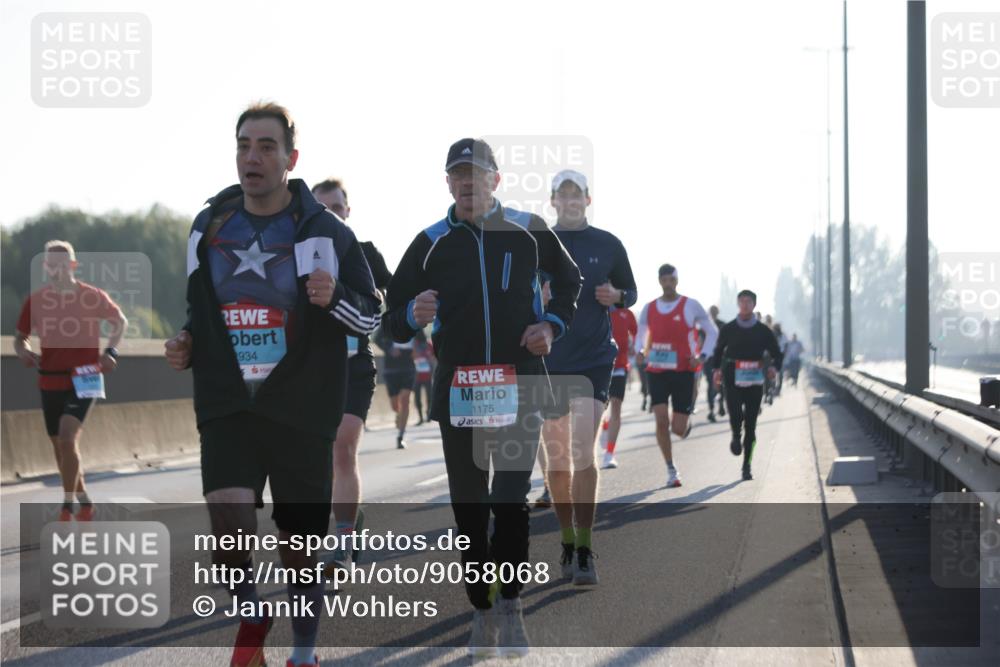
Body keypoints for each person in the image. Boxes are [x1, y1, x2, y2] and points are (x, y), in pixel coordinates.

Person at [163, 103, 381, 667]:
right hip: (228, 401)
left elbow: (372, 316)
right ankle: (251, 611)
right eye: (243, 145)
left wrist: (333, 298)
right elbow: (197, 305)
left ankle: (303, 652)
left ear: (291, 158)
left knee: (299, 545)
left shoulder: (324, 230)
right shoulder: (209, 225)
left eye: (265, 146)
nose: (251, 157)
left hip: (302, 406)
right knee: (227, 516)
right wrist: (186, 339)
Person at [383, 138, 581, 658]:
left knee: (510, 503)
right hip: (461, 390)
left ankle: (511, 604)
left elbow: (570, 281)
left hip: (521, 383)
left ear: (496, 179)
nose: (467, 183)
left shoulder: (528, 231)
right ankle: (482, 607)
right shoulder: (429, 242)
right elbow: (390, 318)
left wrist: (552, 324)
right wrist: (410, 314)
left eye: (476, 174)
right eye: (458, 175)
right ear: (447, 183)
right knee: (470, 509)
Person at [540, 169, 637, 586]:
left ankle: (584, 547)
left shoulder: (608, 244)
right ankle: (565, 539)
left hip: (595, 360)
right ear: (553, 202)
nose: (570, 200)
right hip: (548, 361)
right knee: (557, 459)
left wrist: (616, 297)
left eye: (576, 194)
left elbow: (631, 291)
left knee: (584, 448)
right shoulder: (538, 243)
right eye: (562, 195)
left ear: (587, 200)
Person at [14, 240, 127, 522]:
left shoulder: (91, 296)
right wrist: (24, 351)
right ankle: (84, 500)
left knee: (67, 437)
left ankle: (67, 507)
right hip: (49, 380)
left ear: (73, 266)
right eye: (52, 264)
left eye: (63, 264)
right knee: (60, 446)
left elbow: (120, 321)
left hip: (86, 377)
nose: (57, 269)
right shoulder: (36, 301)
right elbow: (20, 338)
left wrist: (110, 351)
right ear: (45, 267)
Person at [312, 178, 393, 570]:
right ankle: (349, 518)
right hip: (310, 369)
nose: (331, 214)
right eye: (321, 209)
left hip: (354, 364)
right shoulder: (297, 255)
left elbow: (391, 298)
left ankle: (342, 542)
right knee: (321, 460)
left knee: (343, 446)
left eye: (337, 207)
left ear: (348, 211)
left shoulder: (365, 253)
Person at [634, 264, 717, 488]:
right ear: (659, 281)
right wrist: (640, 351)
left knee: (677, 429)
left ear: (676, 280)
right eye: (664, 280)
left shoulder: (690, 305)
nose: (668, 284)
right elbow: (641, 335)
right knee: (661, 420)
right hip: (657, 370)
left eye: (671, 279)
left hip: (683, 371)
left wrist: (702, 357)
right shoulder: (649, 308)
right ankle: (671, 468)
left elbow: (712, 332)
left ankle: (685, 425)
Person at [712, 290, 783, 481]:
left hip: (754, 380)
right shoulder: (729, 328)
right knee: (735, 414)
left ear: (754, 304)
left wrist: (774, 368)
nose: (745, 304)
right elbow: (718, 351)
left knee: (751, 425)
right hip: (732, 377)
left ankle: (747, 465)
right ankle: (736, 435)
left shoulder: (763, 331)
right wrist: (717, 369)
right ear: (738, 304)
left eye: (748, 301)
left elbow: (777, 353)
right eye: (742, 301)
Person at [602, 305, 638, 469]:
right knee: (600, 408)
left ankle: (609, 454)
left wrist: (636, 348)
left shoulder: (626, 313)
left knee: (615, 407)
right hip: (598, 366)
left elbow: (640, 334)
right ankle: (604, 425)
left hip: (620, 367)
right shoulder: (596, 308)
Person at [373, 322, 416, 448]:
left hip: (408, 366)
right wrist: (390, 348)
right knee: (395, 406)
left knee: (405, 399)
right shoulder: (389, 321)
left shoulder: (414, 320)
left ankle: (401, 435)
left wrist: (417, 350)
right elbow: (376, 339)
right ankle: (399, 415)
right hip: (391, 369)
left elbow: (422, 341)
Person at [702, 305, 727, 422]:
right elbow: (699, 341)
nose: (713, 313)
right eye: (711, 311)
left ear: (718, 312)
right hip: (708, 359)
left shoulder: (723, 325)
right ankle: (711, 410)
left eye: (715, 311)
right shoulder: (704, 326)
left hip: (721, 358)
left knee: (721, 382)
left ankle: (721, 403)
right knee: (710, 383)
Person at [412, 329, 435, 425]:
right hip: (416, 376)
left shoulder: (429, 345)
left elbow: (434, 356)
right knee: (417, 397)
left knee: (429, 396)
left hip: (427, 375)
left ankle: (428, 415)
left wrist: (429, 362)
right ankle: (421, 417)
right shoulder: (414, 345)